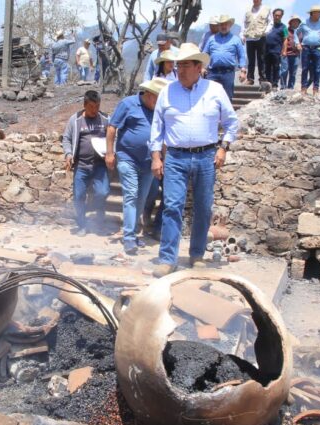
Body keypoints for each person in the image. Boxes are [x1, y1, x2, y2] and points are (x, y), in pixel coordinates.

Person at [149, 43, 240, 277]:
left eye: (186, 65)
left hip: (206, 156)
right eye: (178, 65)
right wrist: (156, 157)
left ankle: (197, 255)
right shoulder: (167, 92)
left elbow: (232, 123)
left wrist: (223, 149)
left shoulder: (215, 90)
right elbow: (157, 128)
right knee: (172, 207)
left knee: (203, 207)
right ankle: (168, 259)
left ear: (199, 67)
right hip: (176, 157)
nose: (180, 69)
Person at [105, 77, 168, 254]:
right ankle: (129, 238)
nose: (158, 102)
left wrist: (163, 159)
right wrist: (110, 153)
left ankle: (132, 232)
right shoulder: (128, 104)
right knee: (131, 195)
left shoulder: (159, 110)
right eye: (157, 97)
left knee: (142, 197)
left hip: (149, 161)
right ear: (148, 94)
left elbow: (163, 136)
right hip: (128, 158)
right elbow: (111, 128)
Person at [62, 90, 110, 236]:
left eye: (97, 107)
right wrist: (69, 154)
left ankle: (99, 221)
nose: (94, 110)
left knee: (102, 192)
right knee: (78, 195)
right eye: (91, 107)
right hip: (81, 165)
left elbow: (113, 137)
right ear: (84, 105)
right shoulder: (75, 120)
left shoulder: (106, 119)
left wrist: (110, 153)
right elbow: (66, 139)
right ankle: (82, 224)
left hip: (99, 165)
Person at [203, 14, 247, 101]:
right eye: (221, 24)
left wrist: (243, 70)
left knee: (227, 98)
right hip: (212, 73)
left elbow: (241, 55)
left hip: (228, 73)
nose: (223, 26)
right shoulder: (212, 39)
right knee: (210, 97)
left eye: (225, 24)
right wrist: (202, 67)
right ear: (218, 26)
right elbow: (205, 53)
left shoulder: (236, 39)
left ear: (230, 25)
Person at [297, 6, 320, 96]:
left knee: (317, 69)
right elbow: (296, 33)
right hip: (306, 48)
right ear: (312, 13)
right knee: (305, 68)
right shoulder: (304, 23)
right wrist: (297, 43)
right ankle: (303, 88)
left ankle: (316, 89)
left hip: (317, 48)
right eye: (318, 12)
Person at [243, 0, 271, 85]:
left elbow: (270, 22)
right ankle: (250, 79)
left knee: (261, 59)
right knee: (250, 59)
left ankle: (262, 79)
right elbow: (244, 23)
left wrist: (266, 31)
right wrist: (243, 35)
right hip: (249, 38)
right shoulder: (248, 10)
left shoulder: (267, 9)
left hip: (261, 37)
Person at [264, 9, 288, 90]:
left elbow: (285, 39)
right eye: (275, 15)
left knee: (276, 67)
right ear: (273, 15)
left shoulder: (284, 27)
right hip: (266, 50)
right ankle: (268, 84)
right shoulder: (268, 25)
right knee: (267, 67)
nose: (277, 17)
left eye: (279, 15)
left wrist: (284, 50)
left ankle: (274, 84)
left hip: (276, 51)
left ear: (281, 16)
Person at [280, 15, 302, 89]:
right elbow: (283, 40)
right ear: (290, 22)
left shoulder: (301, 32)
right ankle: (283, 87)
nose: (296, 23)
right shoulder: (285, 30)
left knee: (293, 73)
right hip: (286, 54)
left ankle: (291, 88)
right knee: (284, 71)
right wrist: (283, 51)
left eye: (297, 21)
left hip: (296, 55)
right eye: (294, 21)